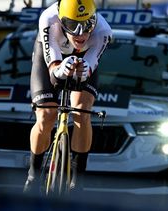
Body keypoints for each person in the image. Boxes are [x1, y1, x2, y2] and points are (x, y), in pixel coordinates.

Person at [23, 0, 112, 193]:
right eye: (72, 25)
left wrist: (84, 69)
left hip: (83, 58)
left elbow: (90, 65)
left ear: (95, 20)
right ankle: (33, 175)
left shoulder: (104, 32)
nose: (80, 33)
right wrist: (60, 70)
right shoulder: (48, 19)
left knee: (82, 110)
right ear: (61, 21)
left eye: (88, 25)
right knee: (47, 115)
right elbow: (53, 70)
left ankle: (78, 180)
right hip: (51, 57)